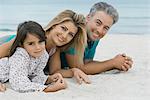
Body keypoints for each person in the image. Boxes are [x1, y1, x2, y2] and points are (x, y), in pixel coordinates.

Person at [0, 10, 91, 85]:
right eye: (63, 28)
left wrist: (74, 71)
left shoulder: (54, 48)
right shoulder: (35, 36)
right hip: (5, 42)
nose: (64, 36)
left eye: (70, 34)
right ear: (55, 25)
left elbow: (54, 71)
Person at [50, 2, 133, 76]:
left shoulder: (94, 36)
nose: (100, 30)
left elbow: (87, 62)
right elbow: (79, 68)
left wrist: (117, 62)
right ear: (88, 18)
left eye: (106, 28)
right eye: (98, 23)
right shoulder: (76, 34)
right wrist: (112, 63)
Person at [0, 21, 67, 92]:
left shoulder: (43, 55)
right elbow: (18, 83)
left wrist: (48, 79)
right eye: (31, 43)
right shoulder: (20, 54)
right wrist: (48, 89)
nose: (38, 47)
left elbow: (34, 76)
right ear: (22, 44)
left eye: (40, 42)